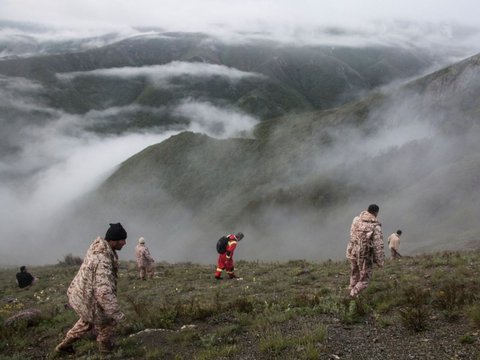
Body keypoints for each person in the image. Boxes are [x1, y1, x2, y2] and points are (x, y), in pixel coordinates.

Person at [55, 223, 127, 355]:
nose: (124, 243)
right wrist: (117, 314)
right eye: (122, 240)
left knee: (86, 321)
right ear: (113, 241)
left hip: (82, 295)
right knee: (107, 323)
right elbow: (103, 292)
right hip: (90, 298)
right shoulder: (102, 260)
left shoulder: (99, 248)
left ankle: (64, 346)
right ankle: (105, 351)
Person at [346, 204, 384, 297]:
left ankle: (351, 288)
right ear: (376, 213)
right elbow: (378, 245)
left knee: (355, 272)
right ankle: (353, 295)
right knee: (365, 279)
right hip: (365, 255)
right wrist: (380, 261)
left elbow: (352, 233)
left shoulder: (356, 219)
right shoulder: (375, 226)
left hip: (353, 251)